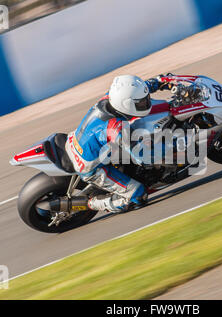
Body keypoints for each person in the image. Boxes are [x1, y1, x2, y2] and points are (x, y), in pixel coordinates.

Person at [65, 74, 171, 213]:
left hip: (79, 142)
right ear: (125, 105)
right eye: (142, 103)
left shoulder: (110, 97)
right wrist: (169, 147)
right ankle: (90, 204)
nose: (147, 103)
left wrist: (159, 82)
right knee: (138, 195)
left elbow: (134, 91)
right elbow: (143, 157)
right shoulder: (115, 128)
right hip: (92, 168)